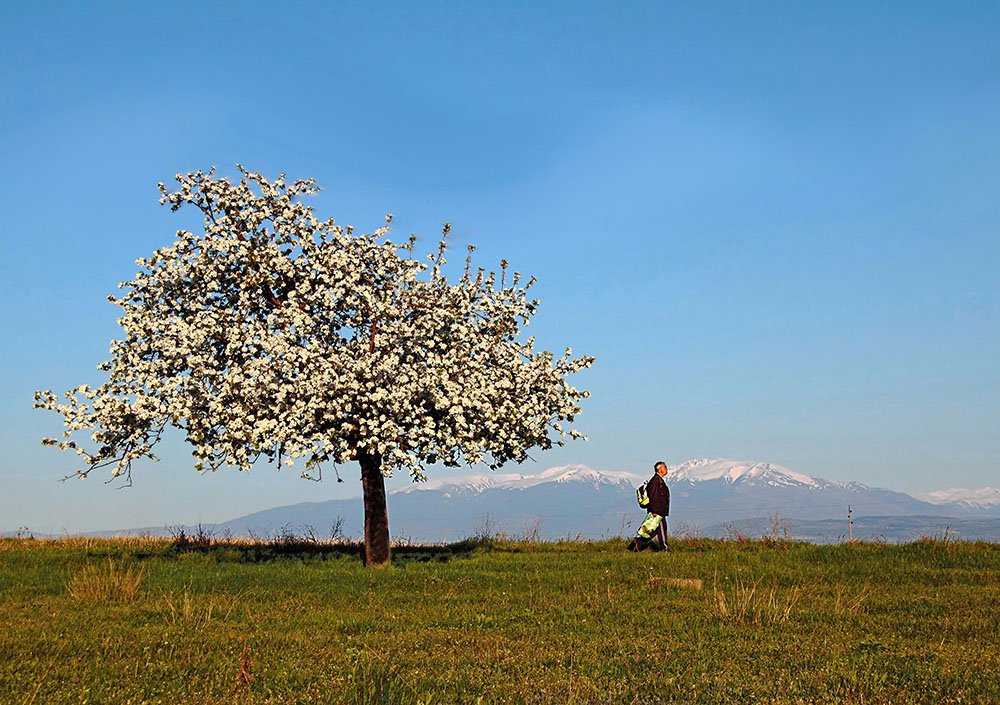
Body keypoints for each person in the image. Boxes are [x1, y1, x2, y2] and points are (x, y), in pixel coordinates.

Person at [628, 460, 670, 552]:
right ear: (659, 469)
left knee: (652, 531)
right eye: (665, 467)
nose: (667, 468)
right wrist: (655, 511)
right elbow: (654, 497)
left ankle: (636, 544)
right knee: (661, 529)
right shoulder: (656, 481)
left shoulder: (658, 480)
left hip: (657, 511)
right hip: (657, 511)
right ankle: (664, 548)